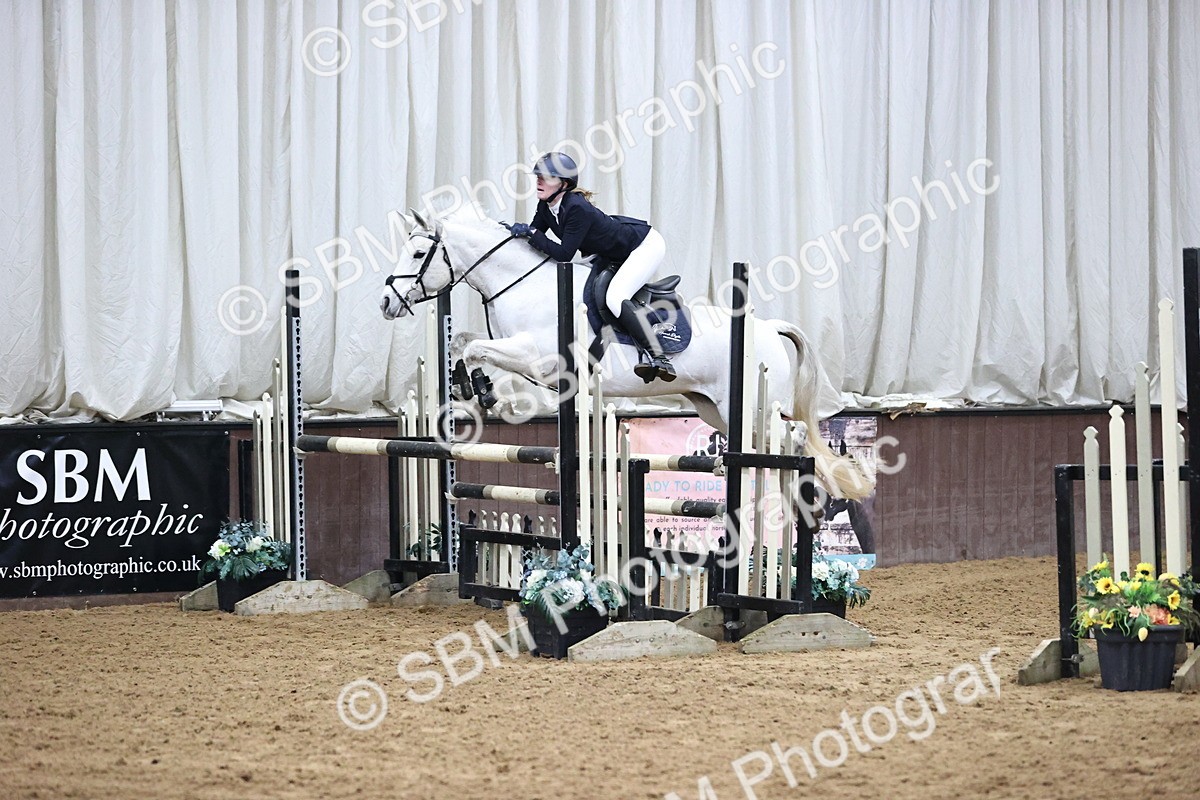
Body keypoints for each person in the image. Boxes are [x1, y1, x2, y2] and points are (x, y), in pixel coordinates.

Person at [505, 152, 674, 382]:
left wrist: (531, 232)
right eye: (538, 176)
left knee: (615, 297)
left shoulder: (576, 208)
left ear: (564, 184)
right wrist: (512, 234)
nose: (539, 181)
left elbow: (564, 254)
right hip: (611, 252)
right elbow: (535, 238)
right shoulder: (546, 206)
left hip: (644, 246)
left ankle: (658, 356)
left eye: (547, 177)